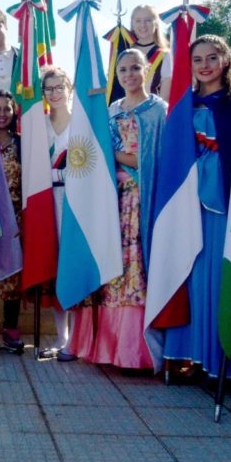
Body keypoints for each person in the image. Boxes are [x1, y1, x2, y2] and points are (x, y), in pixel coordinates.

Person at [69, 49, 165, 370]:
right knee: (110, 265)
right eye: (122, 69)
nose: (129, 75)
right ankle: (105, 345)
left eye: (135, 68)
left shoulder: (157, 111)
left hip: (138, 198)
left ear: (147, 69)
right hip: (109, 199)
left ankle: (134, 349)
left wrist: (111, 152)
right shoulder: (109, 111)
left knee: (133, 266)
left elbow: (150, 158)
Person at [159, 36, 231, 379]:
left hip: (224, 199)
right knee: (190, 275)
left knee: (219, 277)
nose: (205, 65)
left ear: (225, 60)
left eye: (212, 57)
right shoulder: (183, 105)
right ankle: (188, 354)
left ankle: (222, 360)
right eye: (197, 59)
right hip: (186, 201)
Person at [39, 66, 76, 361]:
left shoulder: (82, 124)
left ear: (69, 89)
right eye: (49, 89)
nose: (54, 93)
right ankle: (61, 336)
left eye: (59, 87)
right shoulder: (39, 125)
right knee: (53, 265)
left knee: (72, 264)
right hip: (47, 200)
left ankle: (77, 340)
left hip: (75, 201)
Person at [0, 91, 25, 355]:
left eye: (6, 109)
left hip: (15, 218)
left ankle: (11, 330)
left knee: (13, 273)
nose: (1, 114)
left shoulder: (22, 143)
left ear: (13, 113)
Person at [116, 4, 172, 103]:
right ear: (132, 24)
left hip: (152, 113)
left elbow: (165, 97)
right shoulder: (123, 52)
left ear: (156, 23)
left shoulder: (165, 55)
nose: (143, 25)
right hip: (122, 113)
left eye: (148, 20)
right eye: (138, 21)